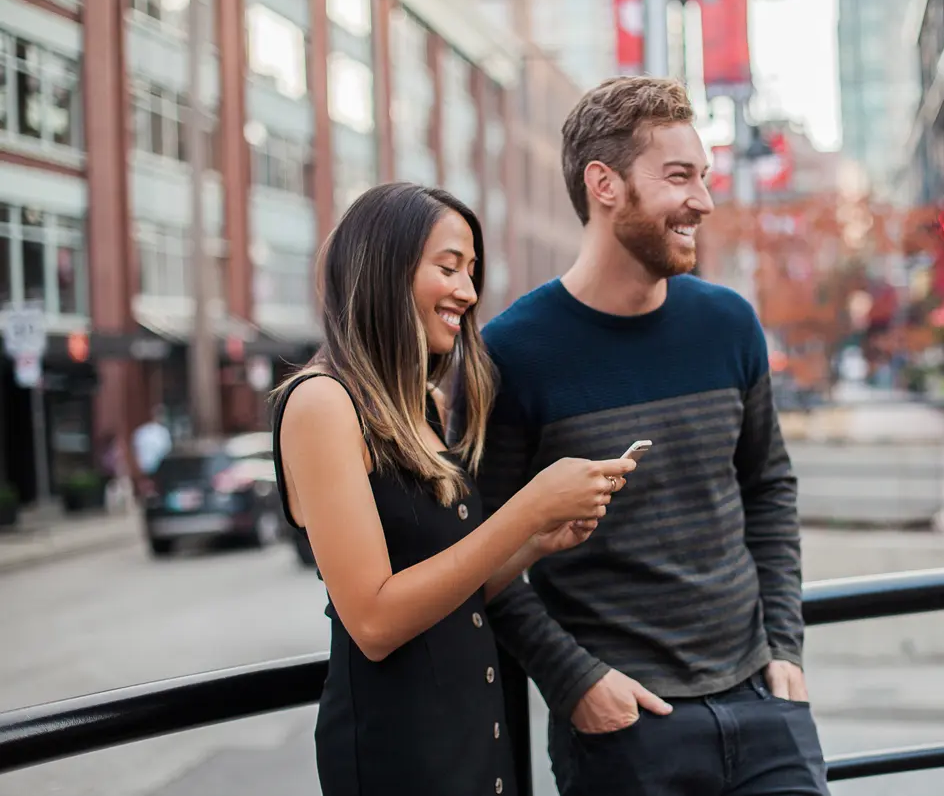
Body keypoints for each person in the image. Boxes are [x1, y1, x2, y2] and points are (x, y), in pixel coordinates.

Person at [457, 77, 831, 795]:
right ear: (605, 184)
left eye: (704, 177)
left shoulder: (728, 324)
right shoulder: (510, 355)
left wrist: (784, 644)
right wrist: (574, 681)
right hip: (623, 728)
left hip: (762, 704)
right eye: (679, 176)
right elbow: (478, 552)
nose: (704, 200)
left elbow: (769, 487)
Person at [270, 183, 637, 796]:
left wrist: (535, 542)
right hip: (399, 757)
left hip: (476, 737)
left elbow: (452, 590)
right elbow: (374, 621)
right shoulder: (321, 403)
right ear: (384, 270)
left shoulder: (426, 405)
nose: (468, 291)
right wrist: (527, 511)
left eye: (471, 271)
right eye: (448, 268)